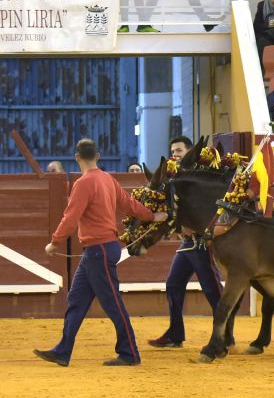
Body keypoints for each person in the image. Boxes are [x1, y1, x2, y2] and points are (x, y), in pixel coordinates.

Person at [34, 138, 164, 367]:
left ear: (77, 158)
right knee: (77, 299)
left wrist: (54, 242)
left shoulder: (83, 183)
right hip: (99, 250)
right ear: (98, 156)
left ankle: (130, 353)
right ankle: (63, 351)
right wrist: (152, 216)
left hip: (98, 250)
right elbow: (129, 205)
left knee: (112, 302)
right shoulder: (108, 180)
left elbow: (70, 217)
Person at [148, 136, 226, 349]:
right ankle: (175, 333)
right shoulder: (175, 176)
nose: (175, 154)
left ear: (190, 150)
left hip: (201, 240)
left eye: (179, 150)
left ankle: (225, 335)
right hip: (187, 241)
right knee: (173, 284)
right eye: (172, 150)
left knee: (211, 289)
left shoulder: (202, 172)